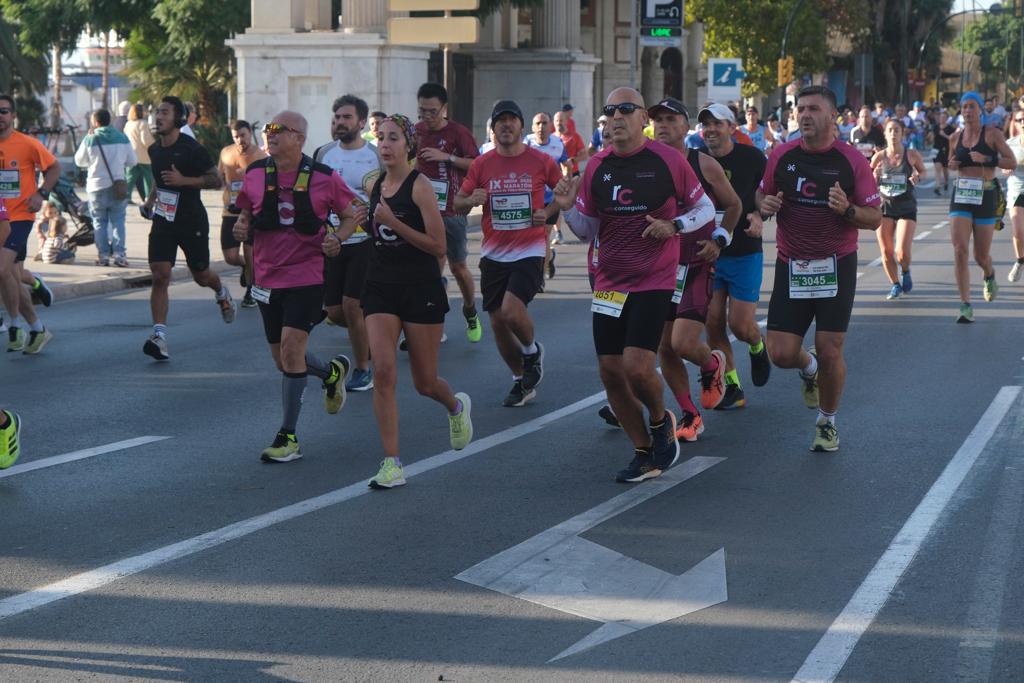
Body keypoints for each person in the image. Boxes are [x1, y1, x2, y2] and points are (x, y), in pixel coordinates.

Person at [554, 87, 715, 483]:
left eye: (626, 109)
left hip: (654, 277)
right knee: (611, 372)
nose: (617, 116)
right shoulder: (597, 166)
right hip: (610, 282)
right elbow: (586, 230)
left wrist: (673, 225)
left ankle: (661, 423)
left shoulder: (668, 161)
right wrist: (566, 209)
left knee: (638, 365)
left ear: (643, 118)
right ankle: (644, 451)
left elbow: (705, 209)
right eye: (610, 110)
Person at [756, 85, 882, 452]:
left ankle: (827, 422)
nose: (804, 115)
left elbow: (875, 218)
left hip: (836, 264)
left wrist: (847, 209)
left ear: (832, 117)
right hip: (791, 264)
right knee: (779, 353)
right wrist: (765, 205)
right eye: (800, 109)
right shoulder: (781, 155)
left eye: (813, 108)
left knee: (831, 349)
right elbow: (760, 197)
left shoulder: (851, 161)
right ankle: (807, 368)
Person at [232, 111, 359, 463]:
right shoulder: (255, 173)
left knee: (291, 349)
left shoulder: (324, 177)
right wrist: (241, 228)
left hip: (307, 276)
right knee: (283, 359)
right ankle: (332, 373)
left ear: (299, 138)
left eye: (278, 130)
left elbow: (354, 212)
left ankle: (288, 437)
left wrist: (338, 237)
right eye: (267, 128)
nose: (270, 135)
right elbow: (244, 211)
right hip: (267, 278)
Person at [362, 114, 473, 488]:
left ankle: (455, 406)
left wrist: (394, 223)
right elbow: (373, 230)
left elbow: (438, 246)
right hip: (380, 285)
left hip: (420, 287)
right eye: (381, 138)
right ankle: (391, 462)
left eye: (393, 138)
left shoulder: (421, 186)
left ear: (408, 145)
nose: (385, 144)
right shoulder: (375, 185)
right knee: (382, 371)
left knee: (424, 382)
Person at [455, 100, 562, 407]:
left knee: (511, 311)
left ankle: (531, 352)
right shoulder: (482, 164)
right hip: (493, 253)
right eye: (499, 121)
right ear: (492, 128)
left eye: (511, 120)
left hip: (529, 249)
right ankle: (521, 380)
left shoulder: (540, 161)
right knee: (498, 322)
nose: (505, 125)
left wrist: (550, 210)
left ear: (521, 126)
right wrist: (471, 199)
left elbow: (566, 192)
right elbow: (459, 202)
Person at [648, 98, 741, 438]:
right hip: (657, 268)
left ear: (686, 128)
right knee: (664, 346)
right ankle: (690, 414)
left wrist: (718, 240)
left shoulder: (704, 164)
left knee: (683, 342)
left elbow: (733, 205)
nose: (662, 125)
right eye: (657, 119)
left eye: (671, 119)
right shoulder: (644, 164)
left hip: (695, 264)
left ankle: (710, 362)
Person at [141, 95, 234, 361]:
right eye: (157, 112)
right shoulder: (155, 150)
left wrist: (184, 180)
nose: (159, 117)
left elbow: (215, 180)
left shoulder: (192, 148)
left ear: (178, 119)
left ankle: (220, 290)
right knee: (160, 275)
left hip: (191, 219)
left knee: (201, 275)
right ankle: (159, 336)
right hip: (163, 219)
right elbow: (159, 181)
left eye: (165, 113)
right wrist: (149, 202)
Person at [701, 104, 772, 412]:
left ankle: (757, 346)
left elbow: (766, 195)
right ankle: (732, 385)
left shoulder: (752, 157)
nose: (711, 129)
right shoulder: (696, 161)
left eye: (717, 123)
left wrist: (759, 215)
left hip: (743, 251)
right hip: (709, 254)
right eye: (706, 125)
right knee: (713, 322)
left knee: (740, 325)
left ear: (732, 127)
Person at [314, 94, 382, 392]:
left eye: (347, 118)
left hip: (365, 240)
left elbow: (387, 194)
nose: (340, 123)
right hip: (332, 242)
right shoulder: (324, 154)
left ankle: (363, 369)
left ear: (361, 122)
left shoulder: (376, 156)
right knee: (334, 311)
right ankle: (374, 334)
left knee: (352, 306)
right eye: (337, 117)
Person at [414, 82, 483, 343]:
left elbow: (477, 164)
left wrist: (448, 158)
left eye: (432, 111)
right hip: (422, 210)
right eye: (422, 111)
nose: (427, 117)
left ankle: (470, 310)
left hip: (452, 210)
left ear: (444, 108)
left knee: (458, 267)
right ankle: (430, 325)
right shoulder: (415, 131)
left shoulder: (458, 133)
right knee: (428, 270)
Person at [947, 92, 1016, 323]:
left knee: (980, 255)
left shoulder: (992, 134)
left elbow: (1011, 161)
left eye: (972, 106)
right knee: (959, 250)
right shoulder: (955, 137)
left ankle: (989, 274)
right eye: (964, 107)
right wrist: (952, 164)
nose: (967, 111)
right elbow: (950, 163)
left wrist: (988, 160)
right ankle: (965, 304)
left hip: (986, 195)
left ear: (980, 110)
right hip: (962, 194)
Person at [0, 93, 58, 354]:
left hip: (21, 216)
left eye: (4, 112)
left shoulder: (27, 143)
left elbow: (54, 168)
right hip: (0, 217)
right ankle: (35, 328)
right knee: (9, 275)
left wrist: (41, 193)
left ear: (12, 116)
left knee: (3, 270)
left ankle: (16, 325)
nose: (0, 117)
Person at [871, 119, 926, 300]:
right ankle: (895, 284)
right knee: (886, 252)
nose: (893, 134)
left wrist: (917, 176)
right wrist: (875, 175)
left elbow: (923, 172)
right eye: (890, 130)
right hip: (885, 206)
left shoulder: (911, 155)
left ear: (902, 133)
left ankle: (905, 270)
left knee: (901, 251)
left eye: (897, 130)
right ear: (885, 134)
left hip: (906, 207)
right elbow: (867, 179)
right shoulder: (879, 157)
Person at [75, 108, 137, 268]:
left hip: (96, 187)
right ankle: (119, 255)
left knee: (99, 223)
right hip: (118, 187)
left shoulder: (90, 139)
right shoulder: (122, 137)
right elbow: (132, 162)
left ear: (95, 122)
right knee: (118, 221)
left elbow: (79, 161)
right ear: (109, 121)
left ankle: (103, 256)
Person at [218, 119, 266, 308]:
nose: (240, 140)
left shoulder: (260, 156)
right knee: (230, 257)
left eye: (243, 136)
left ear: (249, 135)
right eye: (236, 137)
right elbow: (220, 175)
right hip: (230, 210)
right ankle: (247, 267)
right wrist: (225, 185)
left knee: (249, 250)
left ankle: (251, 290)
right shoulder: (226, 153)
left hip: (251, 210)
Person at [524, 111, 570, 281]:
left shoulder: (558, 143)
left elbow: (566, 164)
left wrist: (567, 180)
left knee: (543, 237)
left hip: (551, 200)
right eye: (538, 124)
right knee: (531, 239)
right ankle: (549, 258)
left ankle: (540, 278)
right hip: (531, 200)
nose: (541, 127)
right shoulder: (526, 143)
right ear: (532, 127)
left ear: (550, 126)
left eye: (544, 123)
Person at [1005, 111, 1024, 283]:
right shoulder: (1010, 144)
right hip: (1017, 191)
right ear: (1015, 124)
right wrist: (1006, 169)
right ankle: (1020, 261)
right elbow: (1002, 165)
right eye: (1019, 119)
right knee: (1017, 231)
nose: (1023, 122)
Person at [125, 104, 156, 204]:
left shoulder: (128, 124)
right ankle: (149, 197)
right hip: (143, 155)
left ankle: (126, 197)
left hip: (131, 154)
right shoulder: (143, 123)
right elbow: (145, 140)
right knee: (148, 178)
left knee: (130, 177)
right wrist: (154, 145)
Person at [553, 110, 587, 176]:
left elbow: (585, 155)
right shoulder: (550, 138)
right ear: (553, 122)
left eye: (561, 120)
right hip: (555, 174)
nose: (558, 123)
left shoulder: (575, 136)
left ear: (566, 121)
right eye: (556, 121)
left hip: (572, 173)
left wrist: (573, 160)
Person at [931, 110, 955, 196]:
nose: (942, 119)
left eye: (944, 118)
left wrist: (944, 134)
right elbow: (932, 137)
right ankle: (937, 187)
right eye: (940, 117)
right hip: (936, 149)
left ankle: (946, 182)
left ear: (947, 119)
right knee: (937, 168)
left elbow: (952, 139)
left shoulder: (950, 128)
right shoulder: (935, 127)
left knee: (945, 170)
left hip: (946, 150)